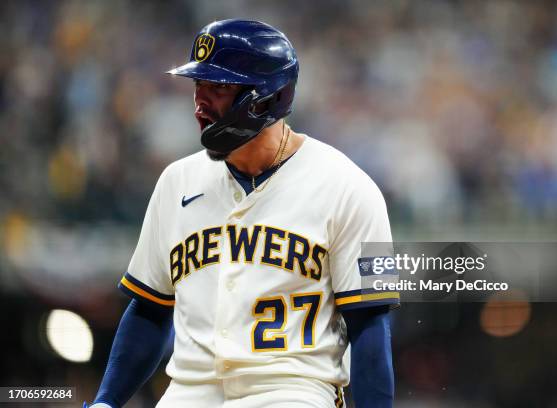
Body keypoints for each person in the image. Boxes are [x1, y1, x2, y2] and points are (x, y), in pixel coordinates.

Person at [85, 19, 398, 408]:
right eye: (198, 86)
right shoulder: (175, 181)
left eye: (218, 88)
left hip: (292, 391)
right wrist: (105, 402)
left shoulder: (352, 188)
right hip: (188, 393)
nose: (200, 102)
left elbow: (371, 326)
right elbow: (149, 308)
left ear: (268, 98)